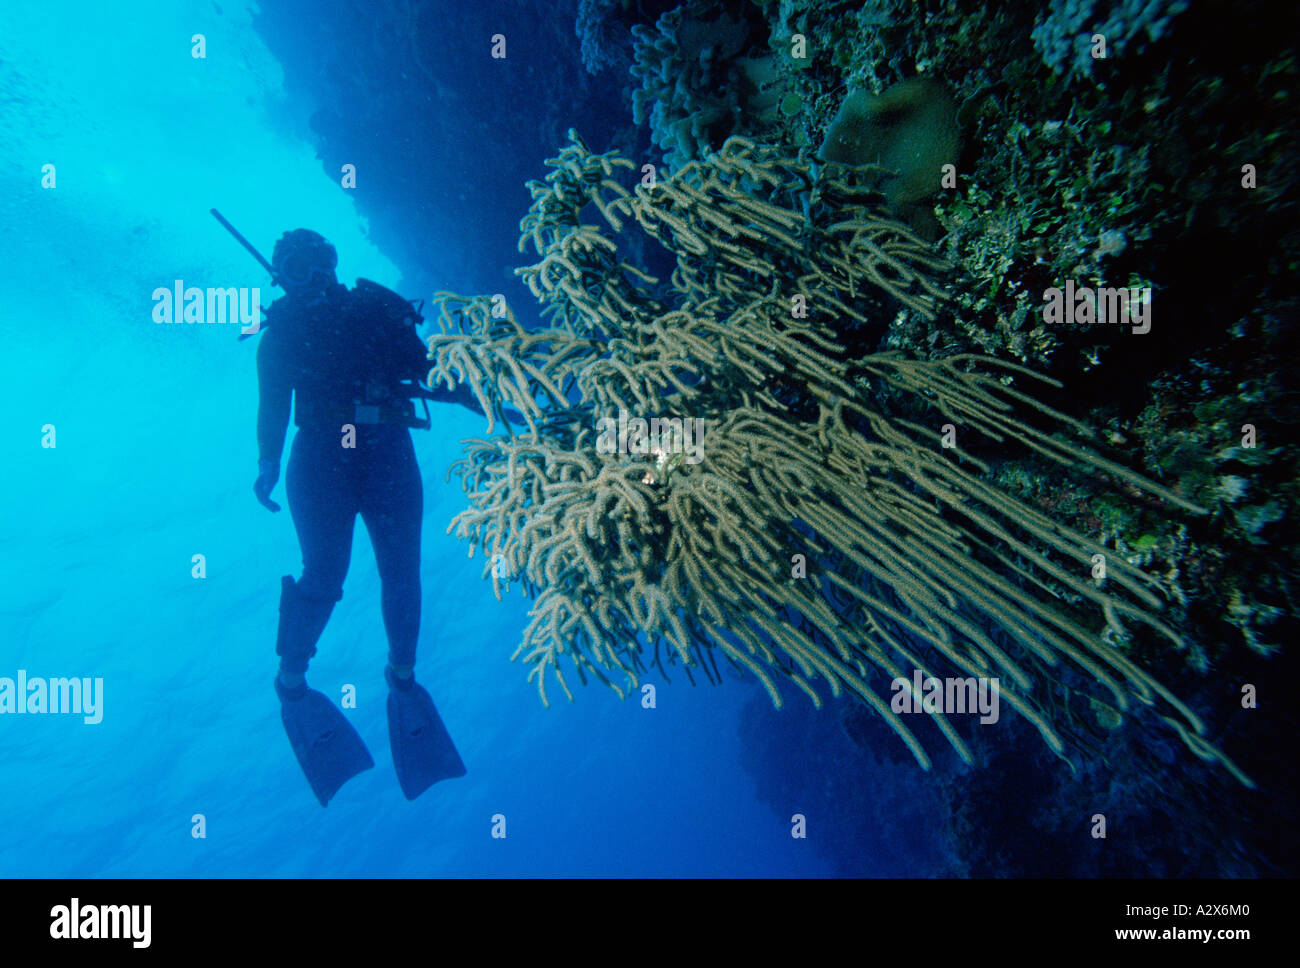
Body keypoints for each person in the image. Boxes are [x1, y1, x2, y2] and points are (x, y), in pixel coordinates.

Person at [253, 228, 473, 806]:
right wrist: (267, 463)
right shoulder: (278, 337)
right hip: (320, 455)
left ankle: (403, 679)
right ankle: (292, 681)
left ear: (333, 263)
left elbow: (427, 371)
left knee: (403, 569)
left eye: (319, 264)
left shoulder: (374, 309)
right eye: (297, 270)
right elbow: (272, 405)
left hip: (386, 448)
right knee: (324, 575)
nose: (313, 278)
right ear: (280, 277)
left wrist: (476, 392)